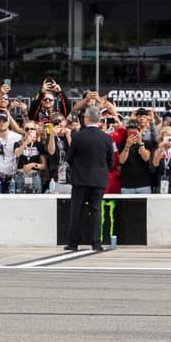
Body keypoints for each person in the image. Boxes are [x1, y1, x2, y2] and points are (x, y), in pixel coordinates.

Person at [64, 107, 114, 251]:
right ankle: (96, 243)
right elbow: (110, 161)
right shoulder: (107, 138)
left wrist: (78, 167)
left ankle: (74, 243)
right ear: (98, 119)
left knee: (76, 211)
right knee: (96, 211)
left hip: (80, 179)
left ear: (86, 118)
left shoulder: (79, 136)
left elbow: (69, 157)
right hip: (99, 179)